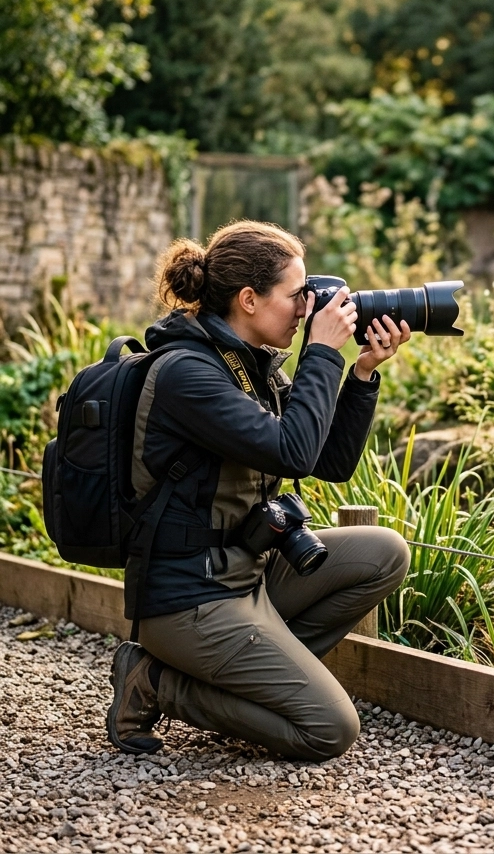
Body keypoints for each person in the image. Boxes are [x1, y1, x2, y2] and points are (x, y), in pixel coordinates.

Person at [106, 220, 411, 761]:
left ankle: (248, 683)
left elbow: (328, 462)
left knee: (383, 553)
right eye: (296, 296)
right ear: (248, 299)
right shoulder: (188, 374)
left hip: (248, 573)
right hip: (190, 597)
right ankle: (154, 681)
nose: (306, 308)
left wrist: (361, 372)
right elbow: (292, 450)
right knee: (330, 730)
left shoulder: (254, 366)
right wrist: (322, 351)